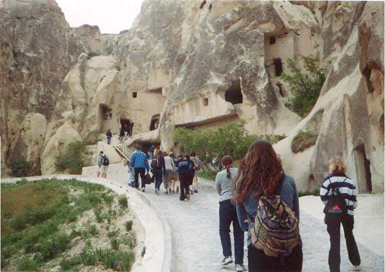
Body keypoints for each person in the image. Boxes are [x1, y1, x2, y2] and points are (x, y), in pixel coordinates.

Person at [234, 140, 303, 272]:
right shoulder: (288, 180)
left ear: (249, 159)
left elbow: (242, 224)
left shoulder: (243, 184)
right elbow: (296, 216)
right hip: (289, 246)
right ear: (273, 157)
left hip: (259, 246)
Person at [320, 156, 361, 272]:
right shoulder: (350, 182)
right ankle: (356, 262)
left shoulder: (327, 181)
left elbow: (323, 198)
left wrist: (333, 205)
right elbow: (354, 202)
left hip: (333, 213)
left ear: (332, 167)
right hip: (347, 214)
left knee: (334, 240)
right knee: (349, 236)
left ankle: (334, 269)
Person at [215, 155, 245, 271]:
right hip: (238, 203)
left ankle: (227, 255)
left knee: (223, 230)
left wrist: (224, 194)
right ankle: (239, 264)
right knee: (239, 233)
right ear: (232, 162)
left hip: (225, 204)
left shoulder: (219, 175)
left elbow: (218, 189)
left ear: (222, 164)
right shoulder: (239, 172)